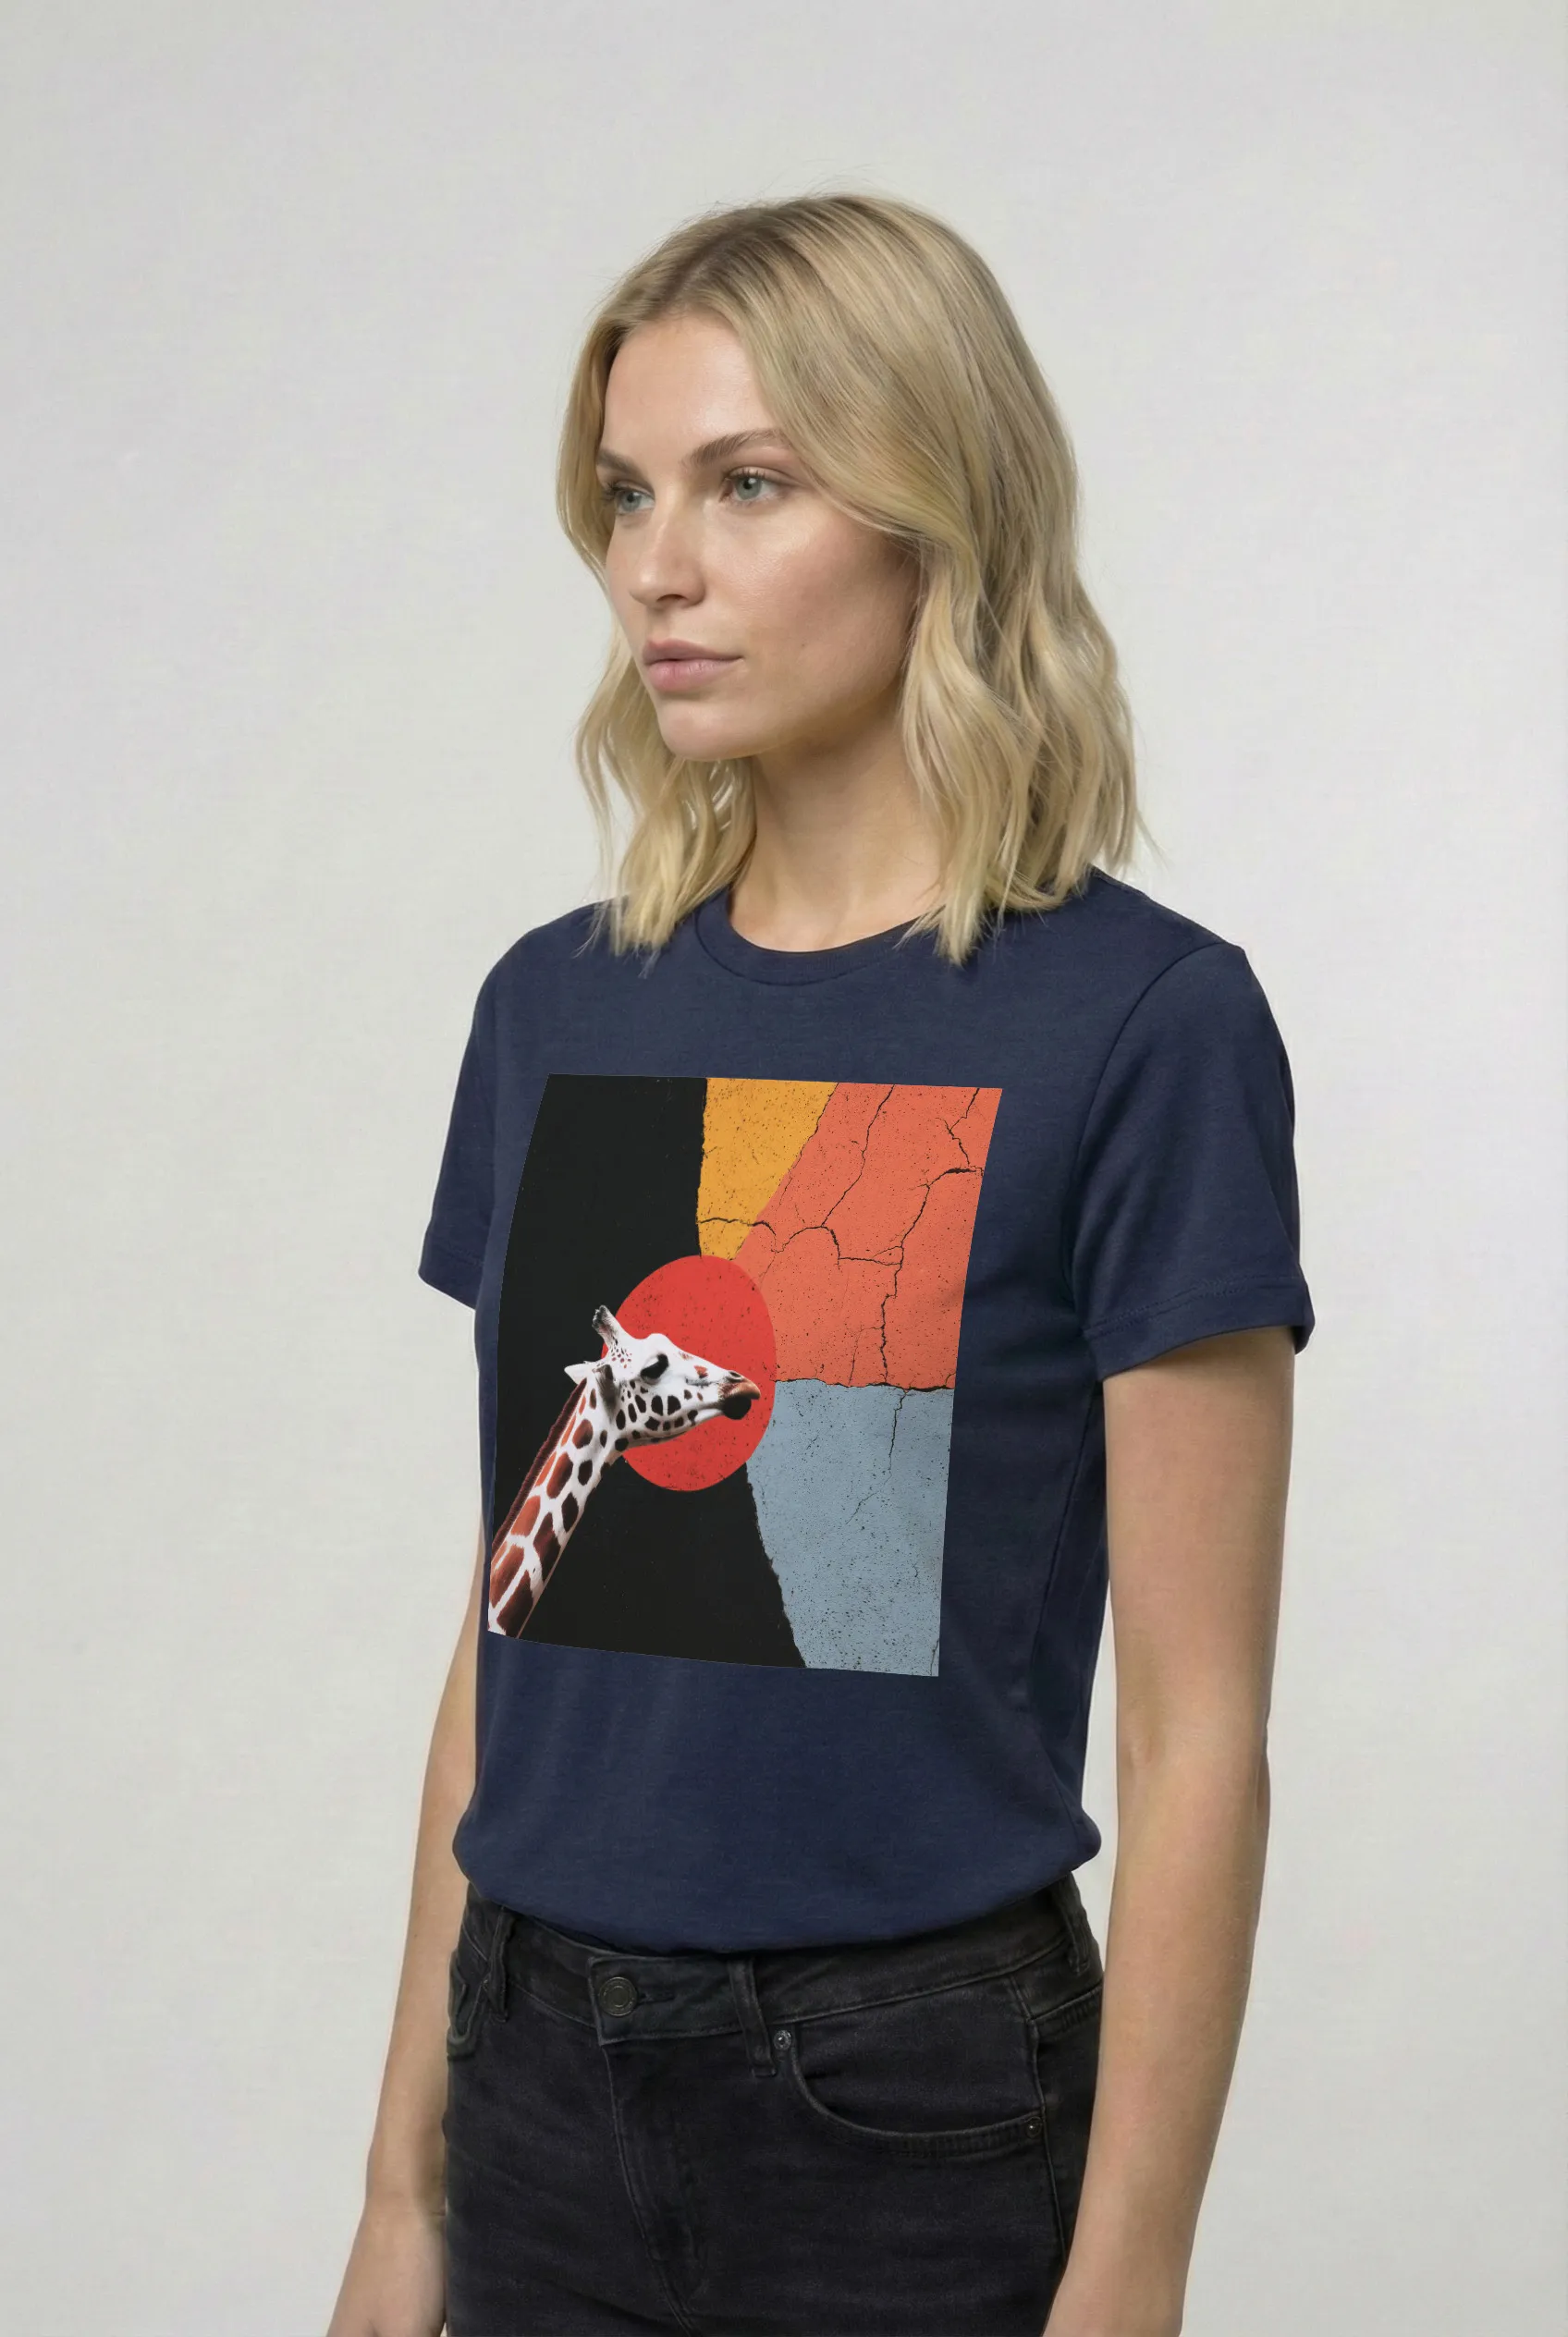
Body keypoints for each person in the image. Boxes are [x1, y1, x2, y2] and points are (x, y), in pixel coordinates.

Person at [326, 191, 1314, 2337]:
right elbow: (514, 1622)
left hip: (907, 2106)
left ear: (933, 510)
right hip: (530, 2078)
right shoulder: (553, 1009)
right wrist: (400, 2191)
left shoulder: (1139, 1027)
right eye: (625, 492)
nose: (652, 567)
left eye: (746, 484)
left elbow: (1196, 1731)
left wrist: (1127, 2280)